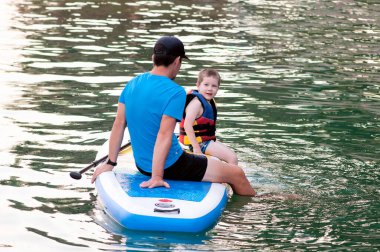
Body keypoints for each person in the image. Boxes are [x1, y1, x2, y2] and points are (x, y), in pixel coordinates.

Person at [91, 36, 256, 196]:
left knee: (211, 163)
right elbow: (164, 135)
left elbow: (119, 124)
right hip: (173, 165)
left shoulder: (132, 83)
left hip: (142, 165)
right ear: (177, 61)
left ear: (153, 57)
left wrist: (111, 163)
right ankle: (253, 208)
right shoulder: (175, 92)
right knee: (237, 174)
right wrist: (157, 176)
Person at [179, 69, 238, 165]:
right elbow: (187, 125)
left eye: (214, 86)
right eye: (206, 85)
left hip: (205, 141)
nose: (210, 88)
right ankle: (231, 179)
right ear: (198, 85)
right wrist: (196, 149)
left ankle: (225, 178)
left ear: (218, 88)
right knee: (232, 158)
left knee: (226, 157)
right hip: (198, 144)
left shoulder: (209, 102)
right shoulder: (196, 103)